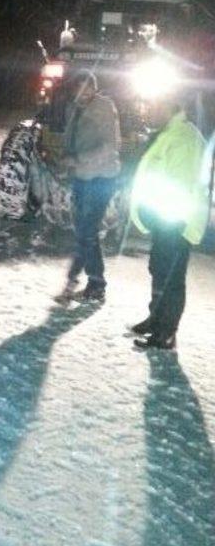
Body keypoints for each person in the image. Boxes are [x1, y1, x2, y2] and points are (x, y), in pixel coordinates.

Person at [129, 99, 209, 349]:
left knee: (171, 277)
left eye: (156, 106)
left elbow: (180, 186)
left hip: (176, 221)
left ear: (172, 108)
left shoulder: (184, 137)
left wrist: (161, 216)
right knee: (159, 270)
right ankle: (156, 319)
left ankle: (166, 332)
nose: (151, 111)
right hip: (165, 218)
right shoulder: (170, 133)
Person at [57, 70, 120, 303]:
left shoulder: (103, 107)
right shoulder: (75, 108)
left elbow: (109, 147)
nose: (83, 93)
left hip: (101, 178)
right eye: (79, 89)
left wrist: (78, 159)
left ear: (95, 88)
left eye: (88, 89)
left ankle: (93, 283)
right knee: (84, 231)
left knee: (87, 231)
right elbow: (70, 137)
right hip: (82, 177)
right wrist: (66, 158)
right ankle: (87, 281)